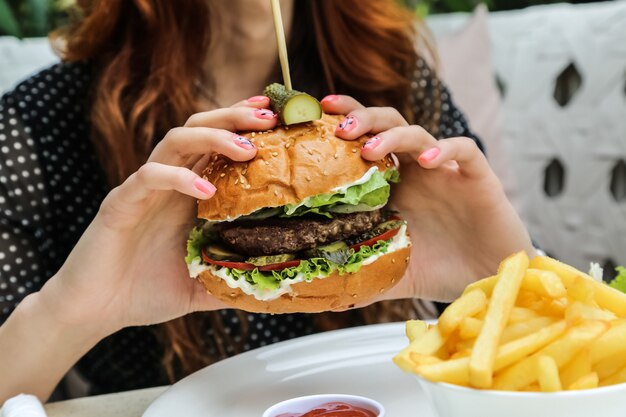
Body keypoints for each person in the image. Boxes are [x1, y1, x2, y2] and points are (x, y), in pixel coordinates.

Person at [0, 0, 534, 403]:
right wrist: (71, 313)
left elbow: (563, 376)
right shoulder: (42, 121)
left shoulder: (392, 76)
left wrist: (506, 280)